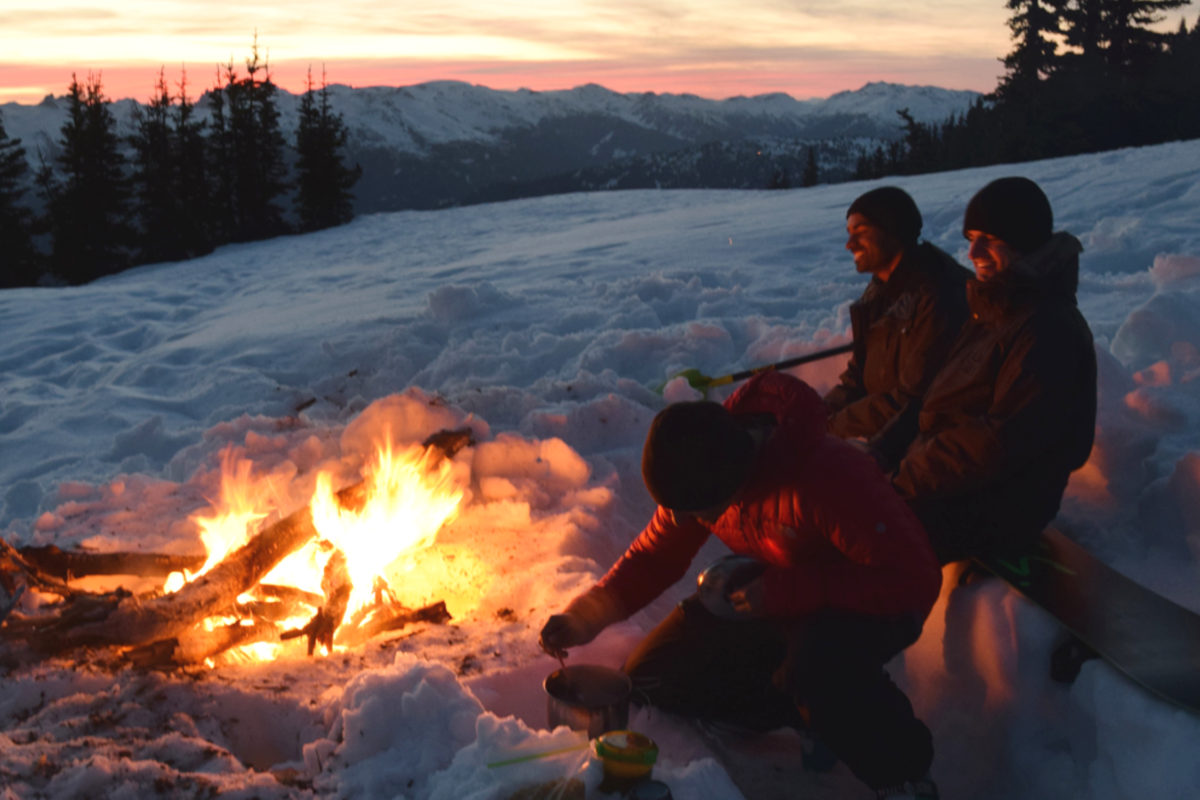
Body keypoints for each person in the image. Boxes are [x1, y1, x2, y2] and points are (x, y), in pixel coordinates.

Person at [540, 370, 943, 799]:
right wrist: (582, 618)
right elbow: (655, 556)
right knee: (653, 676)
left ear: (735, 484)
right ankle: (799, 712)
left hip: (872, 603)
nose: (692, 522)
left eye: (701, 513)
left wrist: (788, 591)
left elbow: (913, 579)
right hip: (782, 592)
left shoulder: (826, 477)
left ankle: (903, 774)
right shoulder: (700, 466)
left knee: (817, 671)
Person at [891, 176, 1097, 564]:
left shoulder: (1047, 328)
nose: (973, 252)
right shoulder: (996, 311)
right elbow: (940, 406)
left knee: (847, 536)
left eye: (989, 237)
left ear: (1024, 241)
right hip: (945, 488)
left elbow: (1001, 441)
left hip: (991, 512)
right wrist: (883, 456)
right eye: (970, 237)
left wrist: (901, 481)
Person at [825, 187, 973, 470]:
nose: (849, 244)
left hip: (925, 457)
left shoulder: (939, 295)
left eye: (860, 231)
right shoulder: (882, 292)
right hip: (892, 443)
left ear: (892, 229)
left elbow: (913, 401)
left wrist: (830, 426)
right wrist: (816, 412)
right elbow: (858, 379)